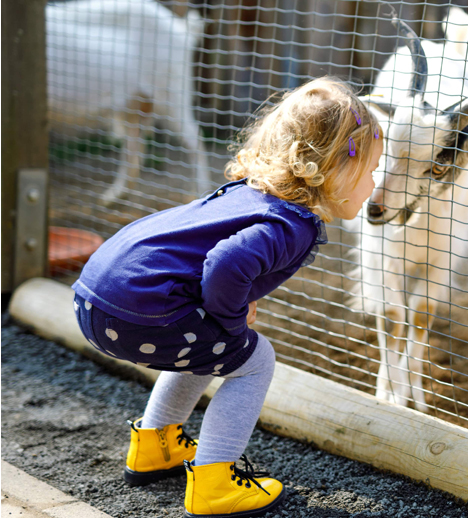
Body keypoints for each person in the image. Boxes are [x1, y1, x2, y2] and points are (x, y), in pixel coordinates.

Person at [71, 77, 382, 517]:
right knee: (254, 359)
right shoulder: (291, 224)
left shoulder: (247, 194)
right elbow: (227, 264)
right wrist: (232, 321)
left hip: (95, 298)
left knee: (212, 347)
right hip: (143, 313)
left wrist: (228, 310)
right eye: (371, 170)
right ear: (337, 167)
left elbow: (207, 260)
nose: (374, 183)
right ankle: (214, 483)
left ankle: (155, 447)